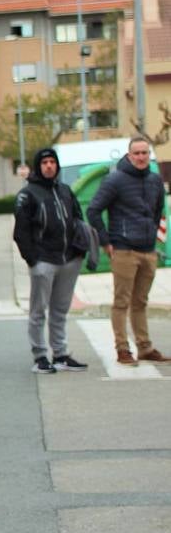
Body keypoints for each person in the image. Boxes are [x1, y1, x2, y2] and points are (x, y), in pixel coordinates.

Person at [85, 136, 168, 365]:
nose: (141, 157)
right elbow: (93, 210)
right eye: (137, 153)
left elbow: (157, 209)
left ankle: (144, 346)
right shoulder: (115, 181)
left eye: (144, 153)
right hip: (123, 250)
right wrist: (106, 241)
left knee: (141, 302)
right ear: (129, 156)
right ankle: (122, 349)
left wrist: (152, 232)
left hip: (148, 250)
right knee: (121, 302)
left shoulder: (154, 180)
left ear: (149, 155)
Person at [13, 148, 90, 374]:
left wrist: (80, 251)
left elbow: (78, 219)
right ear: (39, 166)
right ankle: (40, 356)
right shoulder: (28, 195)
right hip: (43, 261)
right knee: (38, 310)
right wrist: (32, 259)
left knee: (60, 310)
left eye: (52, 162)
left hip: (69, 259)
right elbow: (21, 232)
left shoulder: (65, 191)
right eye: (45, 162)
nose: (49, 166)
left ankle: (60, 354)